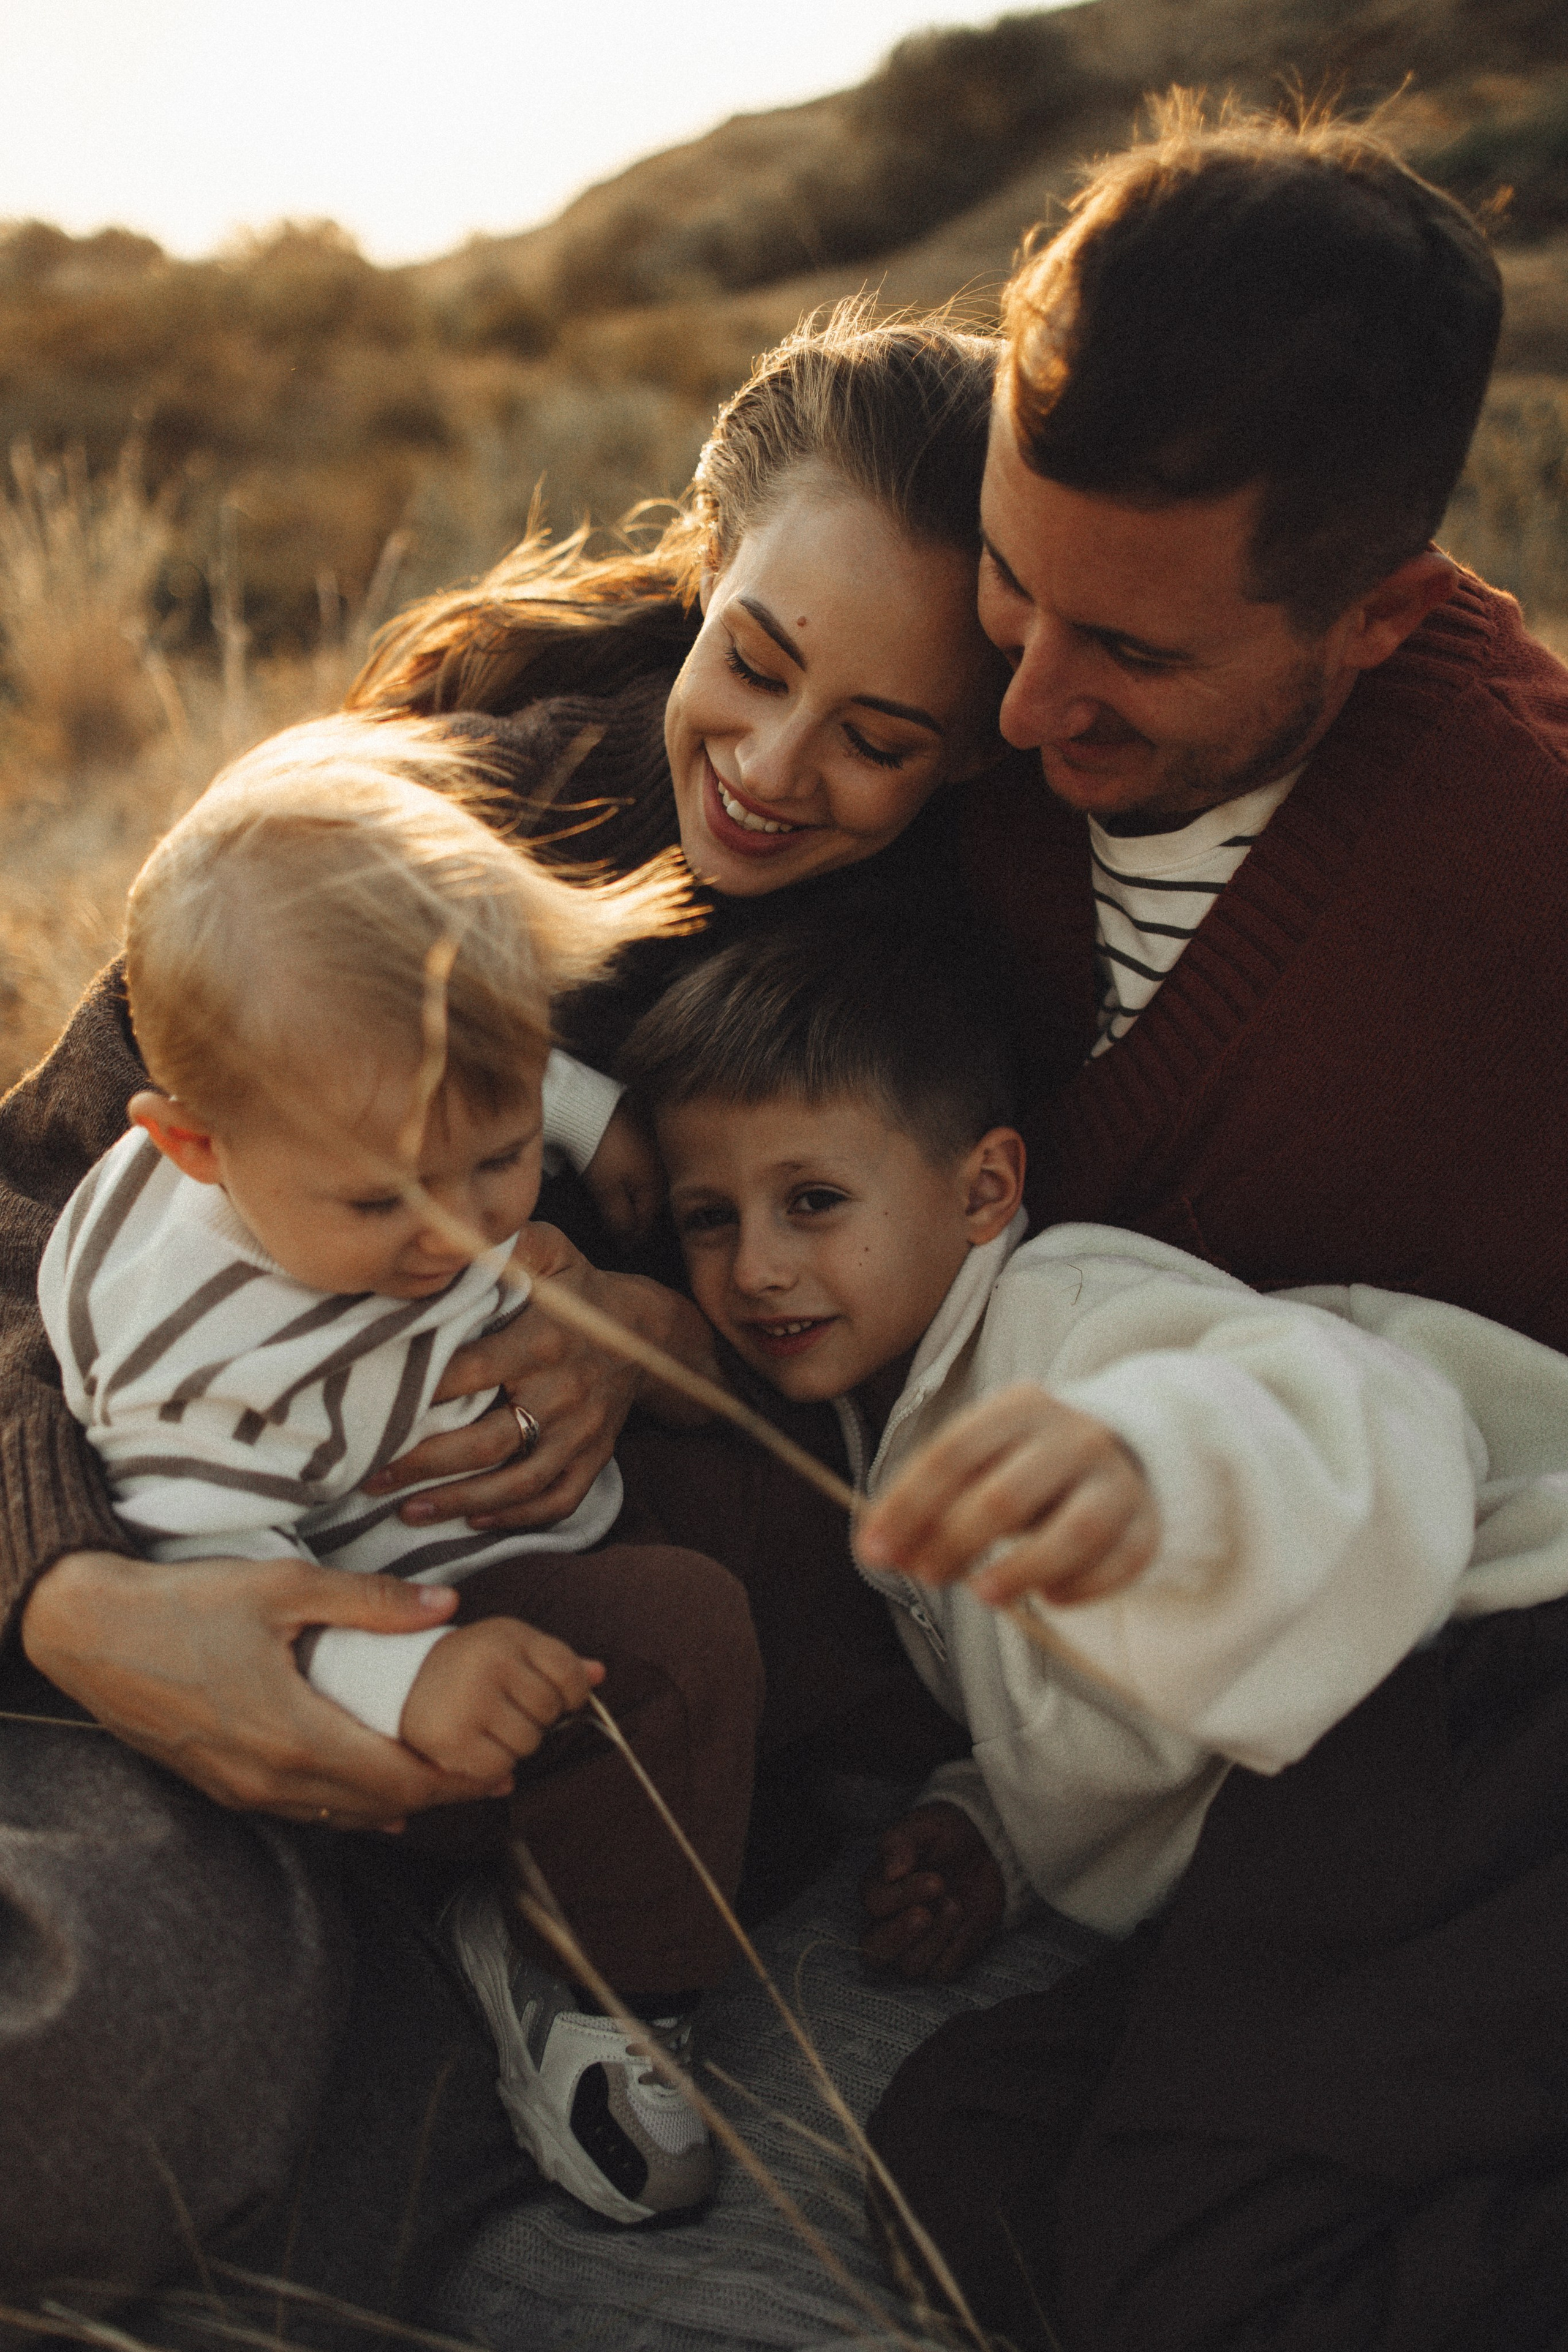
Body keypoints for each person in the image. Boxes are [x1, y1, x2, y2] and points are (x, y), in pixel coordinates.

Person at [0, 307, 1007, 2317]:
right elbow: (32, 1199)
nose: (779, 769)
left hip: (536, 1655)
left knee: (121, 2061)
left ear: (977, 750)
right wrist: (79, 1604)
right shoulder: (395, 841)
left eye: (883, 740)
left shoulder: (920, 987)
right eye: (759, 660)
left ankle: (494, 2010)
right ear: (704, 567)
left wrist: (670, 1334)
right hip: (173, 1577)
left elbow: (922, 1353)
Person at [849, 102, 1568, 2352]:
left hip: (1493, 1688)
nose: (1029, 697)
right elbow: (271, 963)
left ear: (1376, 611)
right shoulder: (878, 681)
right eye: (1010, 582)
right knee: (975, 2182)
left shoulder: (1520, 855)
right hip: (1233, 1792)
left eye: (1134, 660)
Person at [39, 712, 772, 2228]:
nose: (457, 1231)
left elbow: (480, 1050)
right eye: (385, 1200)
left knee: (804, 1578)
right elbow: (226, 1600)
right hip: (377, 1614)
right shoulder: (192, 1353)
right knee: (677, 1644)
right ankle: (590, 1990)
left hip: (503, 1476)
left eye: (496, 1158)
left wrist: (588, 1114)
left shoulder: (382, 1098)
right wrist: (402, 1690)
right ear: (191, 1149)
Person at [619, 928, 1568, 1977]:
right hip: (1310, 1795)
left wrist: (1155, 1464)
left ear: (984, 1192)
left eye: (814, 1202)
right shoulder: (881, 1424)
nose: (754, 1267)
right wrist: (1000, 1837)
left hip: (1497, 1654)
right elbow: (1122, 1709)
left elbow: (1358, 1411)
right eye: (709, 1218)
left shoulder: (1066, 1313)